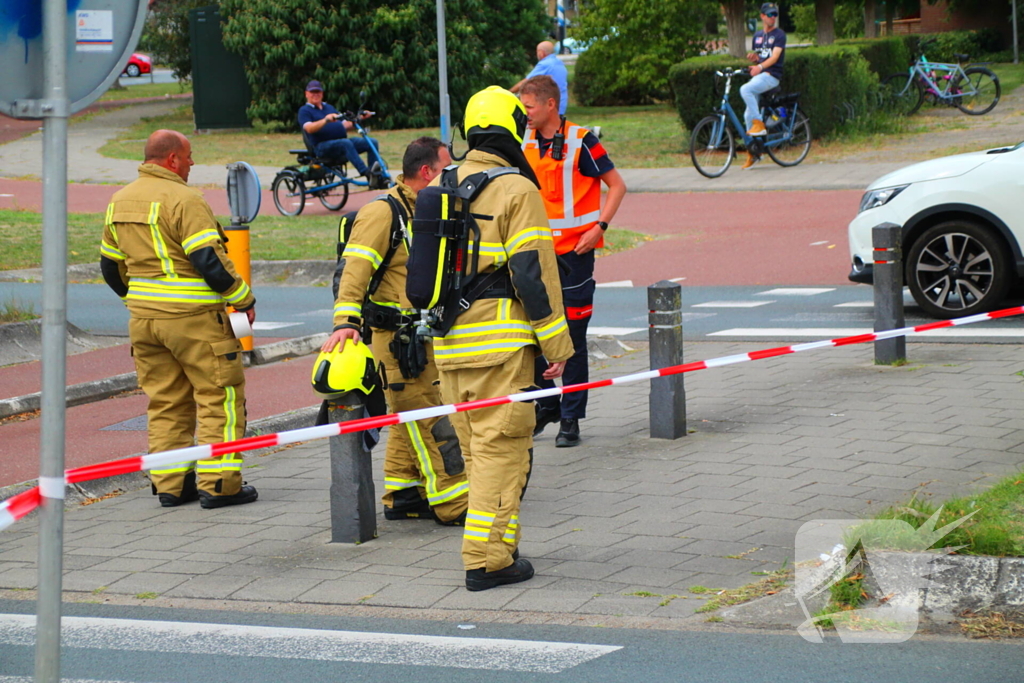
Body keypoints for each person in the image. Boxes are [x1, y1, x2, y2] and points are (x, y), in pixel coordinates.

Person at [425, 86, 573, 591]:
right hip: (500, 346)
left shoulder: (444, 180)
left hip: (448, 347)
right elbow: (534, 276)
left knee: (476, 454)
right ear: (512, 128)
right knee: (501, 453)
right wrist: (558, 349)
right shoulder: (516, 190)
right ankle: (484, 561)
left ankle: (504, 549)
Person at [99, 130, 258, 510]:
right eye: (188, 157)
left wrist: (139, 300)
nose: (191, 164)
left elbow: (109, 266)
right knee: (219, 396)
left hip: (144, 322)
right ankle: (219, 485)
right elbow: (208, 260)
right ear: (172, 159)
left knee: (166, 401)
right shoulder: (185, 199)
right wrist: (243, 299)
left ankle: (172, 486)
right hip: (194, 320)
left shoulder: (118, 201)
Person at [320, 137, 469, 525]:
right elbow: (354, 271)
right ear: (427, 172)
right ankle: (454, 502)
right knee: (430, 418)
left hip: (421, 336)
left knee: (409, 414)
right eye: (446, 169)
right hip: (396, 341)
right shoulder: (383, 213)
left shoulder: (422, 208)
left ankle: (403, 492)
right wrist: (345, 324)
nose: (452, 176)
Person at [519, 75, 626, 448]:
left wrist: (599, 227)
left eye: (529, 106)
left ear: (551, 104)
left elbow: (618, 185)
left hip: (573, 256)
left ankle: (570, 418)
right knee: (529, 334)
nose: (524, 112)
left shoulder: (582, 140)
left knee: (574, 339)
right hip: (533, 255)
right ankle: (548, 403)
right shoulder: (523, 139)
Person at [298, 80, 380, 181]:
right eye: (312, 92)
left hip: (340, 143)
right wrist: (326, 120)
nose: (315, 95)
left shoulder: (329, 107)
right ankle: (366, 172)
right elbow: (309, 129)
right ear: (306, 94)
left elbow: (344, 125)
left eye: (318, 92)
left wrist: (360, 118)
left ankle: (376, 176)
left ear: (322, 93)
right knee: (345, 143)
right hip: (321, 147)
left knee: (372, 142)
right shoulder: (304, 110)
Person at [740, 2, 786, 170]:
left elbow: (774, 58)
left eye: (774, 14)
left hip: (771, 76)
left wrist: (760, 67)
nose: (772, 17)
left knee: (745, 89)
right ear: (762, 16)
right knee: (747, 116)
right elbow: (762, 57)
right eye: (769, 15)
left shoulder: (779, 35)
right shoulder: (758, 36)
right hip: (760, 77)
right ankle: (754, 153)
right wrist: (755, 59)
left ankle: (759, 123)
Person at [510, 41, 569, 116]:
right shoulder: (559, 63)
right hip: (561, 104)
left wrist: (509, 92)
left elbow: (526, 82)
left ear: (542, 53)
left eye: (537, 51)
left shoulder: (545, 64)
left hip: (548, 106)